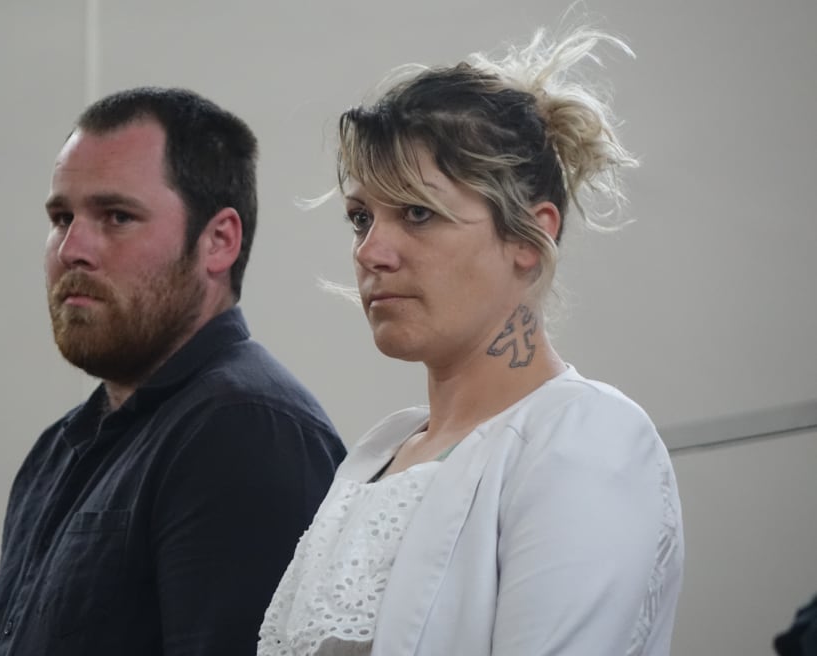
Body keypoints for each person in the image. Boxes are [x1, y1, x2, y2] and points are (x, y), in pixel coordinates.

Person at [259, 27, 684, 655]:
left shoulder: (585, 438)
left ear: (526, 239)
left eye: (418, 213)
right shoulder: (376, 453)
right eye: (360, 218)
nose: (371, 251)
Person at [0, 87, 346, 656]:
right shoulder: (58, 450)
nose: (72, 248)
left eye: (117, 216)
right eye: (60, 217)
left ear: (218, 241)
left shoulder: (245, 430)